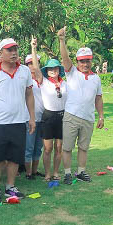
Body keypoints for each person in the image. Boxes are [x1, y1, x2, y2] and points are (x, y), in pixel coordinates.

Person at [0, 37, 35, 202]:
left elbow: (29, 95)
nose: (13, 53)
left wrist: (32, 118)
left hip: (19, 122)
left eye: (15, 49)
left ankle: (10, 187)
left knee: (14, 158)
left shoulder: (25, 71)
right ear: (1, 53)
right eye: (9, 50)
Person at [57, 27, 104, 185]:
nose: (85, 63)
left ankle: (81, 172)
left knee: (84, 147)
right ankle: (68, 173)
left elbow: (98, 98)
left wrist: (101, 116)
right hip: (71, 116)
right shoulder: (71, 73)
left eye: (88, 60)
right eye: (82, 60)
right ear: (77, 62)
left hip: (88, 118)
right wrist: (62, 40)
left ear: (92, 61)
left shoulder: (96, 79)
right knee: (68, 147)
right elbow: (64, 58)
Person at [31, 40, 67, 182]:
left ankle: (56, 172)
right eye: (51, 69)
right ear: (47, 71)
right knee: (47, 149)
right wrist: (33, 49)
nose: (53, 71)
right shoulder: (44, 81)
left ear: (59, 70)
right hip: (48, 117)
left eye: (56, 69)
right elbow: (35, 67)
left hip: (62, 117)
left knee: (59, 148)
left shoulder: (64, 83)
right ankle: (47, 173)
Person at [24, 50, 45, 179]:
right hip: (29, 118)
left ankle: (35, 170)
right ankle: (28, 172)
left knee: (38, 147)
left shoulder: (43, 80)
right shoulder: (25, 80)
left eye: (36, 62)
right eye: (30, 63)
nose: (33, 66)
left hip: (42, 118)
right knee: (29, 147)